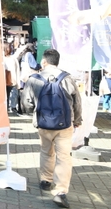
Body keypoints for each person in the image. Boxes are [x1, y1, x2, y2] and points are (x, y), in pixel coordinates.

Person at [22, 49, 82, 209]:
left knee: (46, 152)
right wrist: (77, 120)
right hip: (64, 124)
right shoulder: (67, 78)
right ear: (57, 61)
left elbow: (26, 103)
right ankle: (61, 191)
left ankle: (45, 180)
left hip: (43, 123)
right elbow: (77, 102)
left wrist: (34, 114)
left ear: (44, 62)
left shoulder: (34, 79)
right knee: (64, 157)